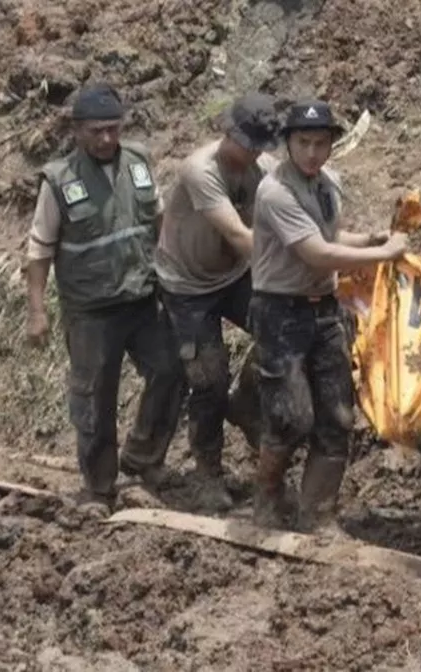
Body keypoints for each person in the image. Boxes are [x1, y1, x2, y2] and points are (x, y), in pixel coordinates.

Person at [22, 83, 186, 510]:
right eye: (96, 131)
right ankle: (99, 486)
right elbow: (39, 250)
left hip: (141, 297)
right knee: (95, 397)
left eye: (113, 129)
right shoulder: (60, 181)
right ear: (77, 131)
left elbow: (159, 219)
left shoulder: (138, 162)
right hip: (91, 310)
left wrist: (173, 276)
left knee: (171, 370)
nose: (107, 139)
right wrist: (37, 311)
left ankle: (144, 455)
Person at [248, 99, 408, 534]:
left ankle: (317, 514)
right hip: (280, 310)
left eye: (321, 144)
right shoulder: (275, 192)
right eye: (304, 143)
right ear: (287, 144)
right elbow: (317, 254)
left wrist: (369, 238)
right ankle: (267, 496)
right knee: (291, 416)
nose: (313, 153)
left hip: (322, 310)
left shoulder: (326, 183)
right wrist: (381, 254)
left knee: (337, 417)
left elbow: (332, 235)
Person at [153, 93, 283, 510]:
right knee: (207, 378)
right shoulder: (200, 171)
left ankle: (246, 400)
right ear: (228, 133)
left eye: (261, 146)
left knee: (282, 329)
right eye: (248, 144)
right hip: (187, 285)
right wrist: (303, 253)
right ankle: (207, 473)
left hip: (232, 276)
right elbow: (241, 237)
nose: (254, 153)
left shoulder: (263, 168)